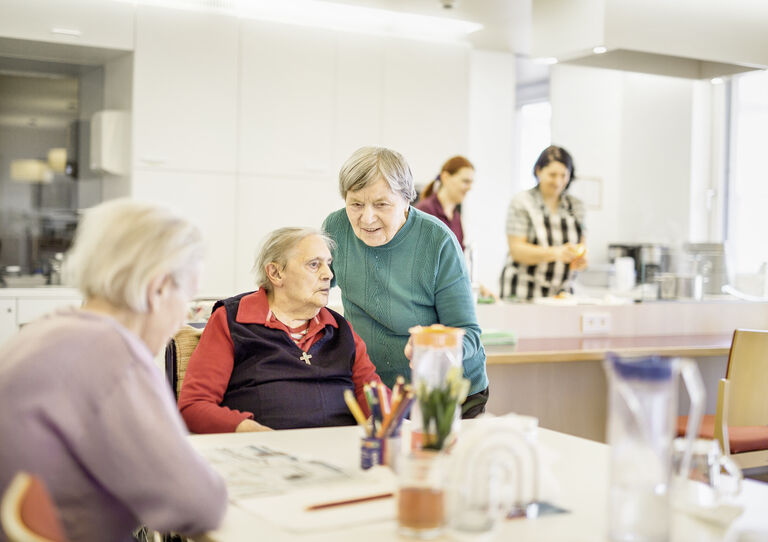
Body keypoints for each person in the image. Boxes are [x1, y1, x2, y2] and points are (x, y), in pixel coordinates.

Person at [0, 199, 227, 542]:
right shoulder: (114, 354)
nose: (184, 317)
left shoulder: (42, 331)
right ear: (158, 288)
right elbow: (199, 505)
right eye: (189, 299)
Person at [322, 146, 489, 418]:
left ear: (406, 200)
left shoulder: (437, 241)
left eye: (381, 204)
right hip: (375, 390)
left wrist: (434, 347)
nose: (367, 218)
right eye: (355, 204)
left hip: (444, 395)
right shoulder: (337, 227)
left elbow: (467, 332)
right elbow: (312, 290)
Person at [178, 227, 385, 433]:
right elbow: (194, 406)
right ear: (276, 273)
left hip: (341, 452)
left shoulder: (340, 328)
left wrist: (384, 418)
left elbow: (376, 400)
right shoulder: (231, 320)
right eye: (314, 265)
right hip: (264, 457)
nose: (328, 274)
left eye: (328, 264)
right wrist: (248, 429)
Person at [500, 145, 587, 300]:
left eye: (563, 175)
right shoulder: (522, 202)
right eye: (552, 175)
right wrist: (557, 253)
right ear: (539, 171)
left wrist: (580, 260)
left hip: (562, 294)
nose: (558, 181)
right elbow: (517, 250)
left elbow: (582, 246)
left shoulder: (576, 206)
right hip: (523, 292)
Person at [415, 155, 474, 249]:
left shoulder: (456, 217)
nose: (469, 188)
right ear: (445, 177)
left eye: (471, 183)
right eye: (465, 181)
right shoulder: (425, 210)